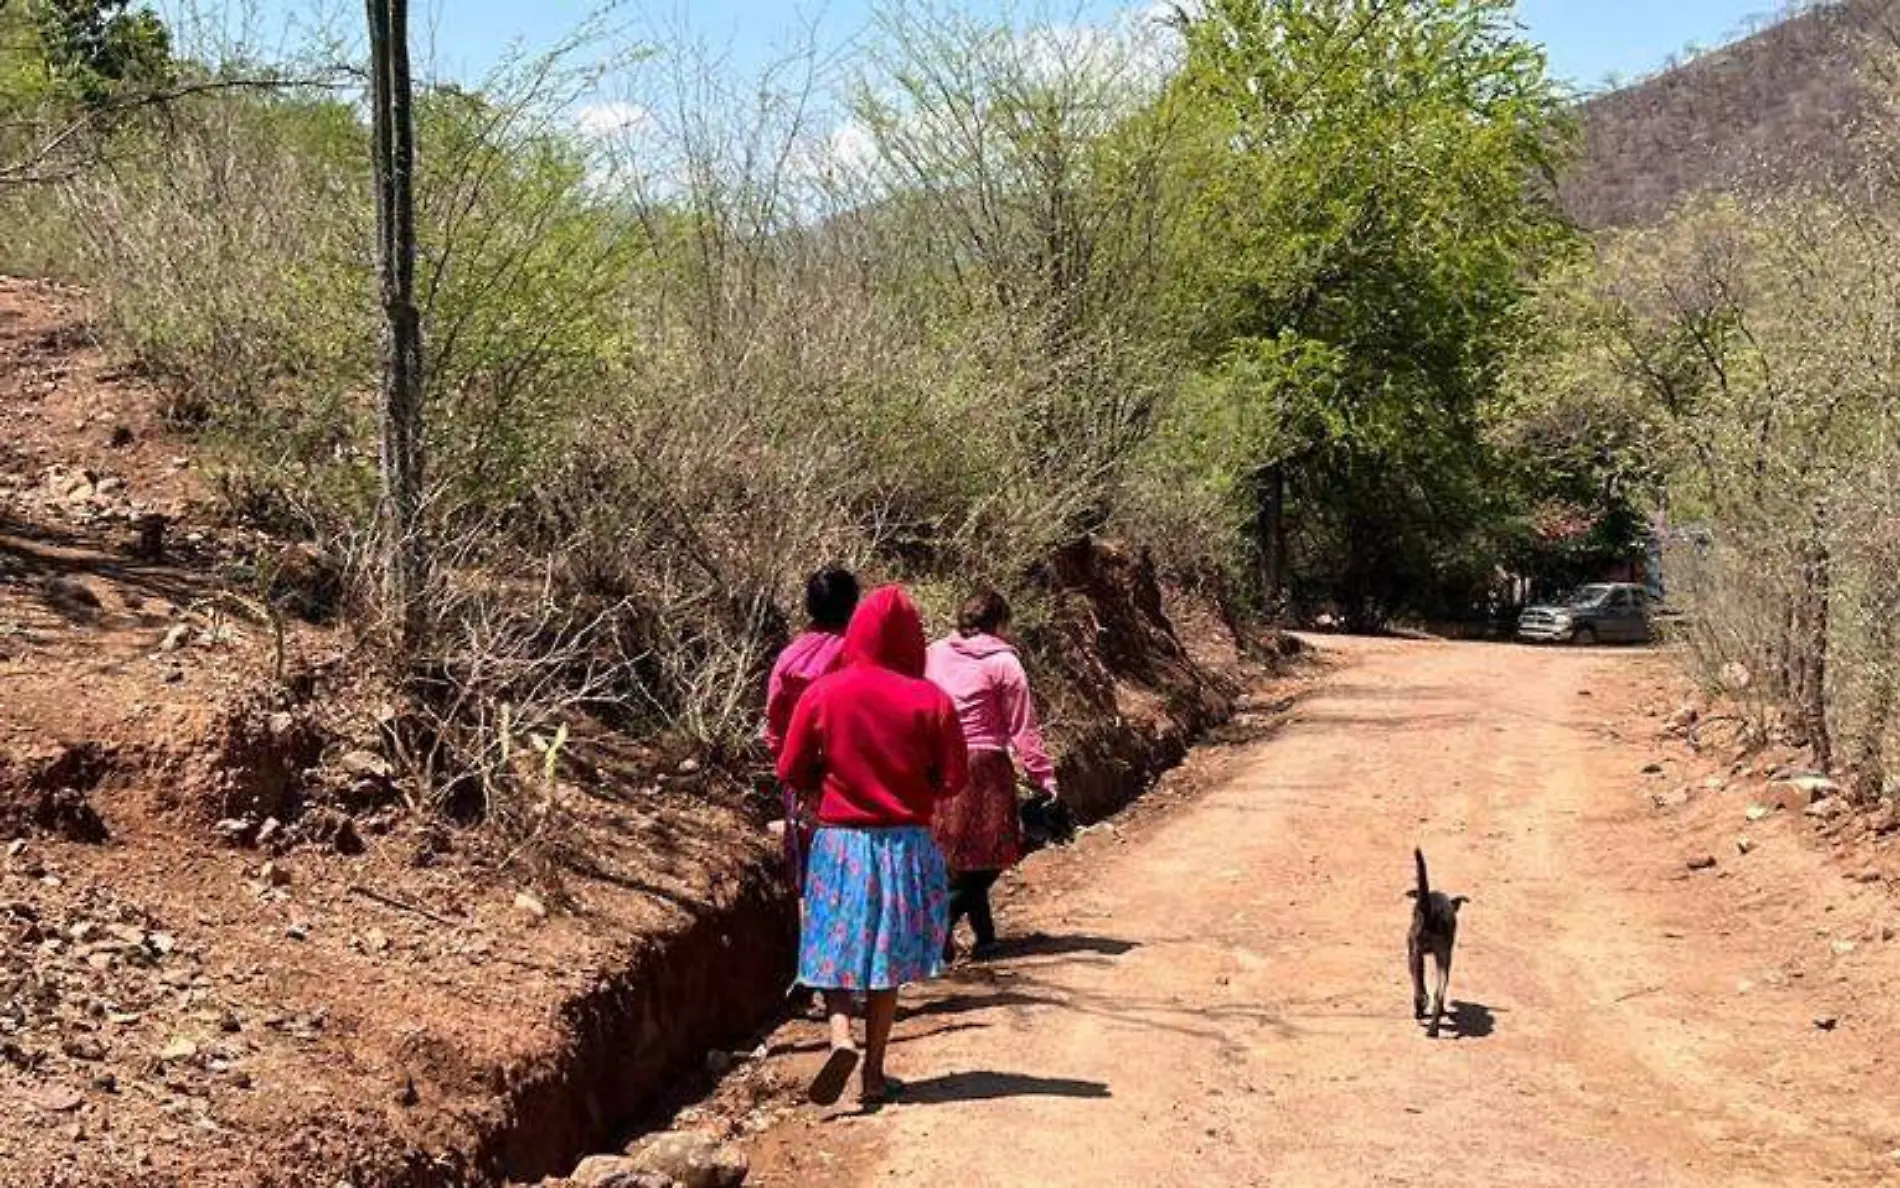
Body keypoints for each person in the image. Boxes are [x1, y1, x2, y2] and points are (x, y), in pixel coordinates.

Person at [778, 584, 968, 1107]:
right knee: (885, 963)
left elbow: (791, 768)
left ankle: (840, 1035)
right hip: (903, 845)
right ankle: (874, 1075)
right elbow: (954, 778)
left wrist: (825, 785)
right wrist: (921, 784)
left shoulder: (824, 692)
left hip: (839, 841)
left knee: (834, 947)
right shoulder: (931, 699)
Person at [926, 588, 1057, 961]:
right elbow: (1023, 728)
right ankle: (941, 925)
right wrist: (1043, 777)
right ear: (1000, 623)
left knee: (958, 853)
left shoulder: (932, 653)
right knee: (995, 853)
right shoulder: (1005, 664)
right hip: (984, 765)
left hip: (939, 760)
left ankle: (985, 937)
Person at [763, 566, 860, 1012]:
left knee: (807, 882)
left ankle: (812, 968)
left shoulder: (789, 657)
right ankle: (845, 982)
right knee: (849, 880)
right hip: (849, 783)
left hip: (801, 782)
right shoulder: (856, 656)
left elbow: (774, 724)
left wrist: (792, 772)